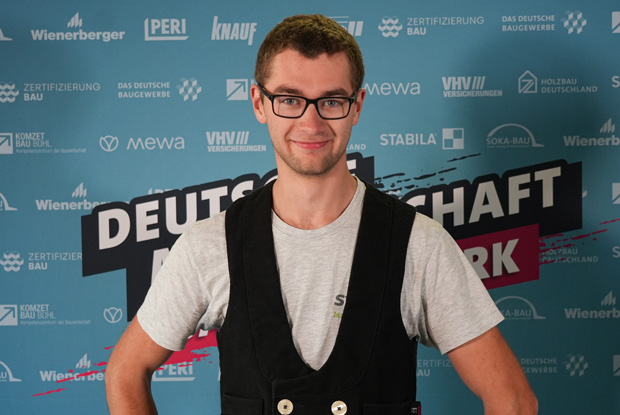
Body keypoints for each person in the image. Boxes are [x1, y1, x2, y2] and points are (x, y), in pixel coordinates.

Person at [105, 14, 538, 415]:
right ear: (258, 103)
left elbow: (514, 400)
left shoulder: (418, 244)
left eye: (331, 101)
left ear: (357, 105)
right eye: (289, 99)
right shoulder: (210, 245)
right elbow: (125, 372)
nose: (311, 124)